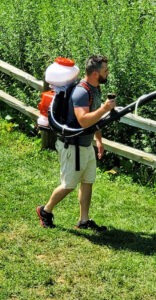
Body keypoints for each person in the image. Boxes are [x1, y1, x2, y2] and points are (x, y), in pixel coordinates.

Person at [36, 55, 116, 231]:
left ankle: (83, 220)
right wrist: (105, 108)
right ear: (95, 73)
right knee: (68, 184)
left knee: (88, 181)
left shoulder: (95, 89)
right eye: (105, 70)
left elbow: (94, 119)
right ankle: (45, 210)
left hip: (85, 145)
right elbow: (83, 121)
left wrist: (99, 140)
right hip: (73, 146)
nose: (107, 73)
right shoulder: (81, 92)